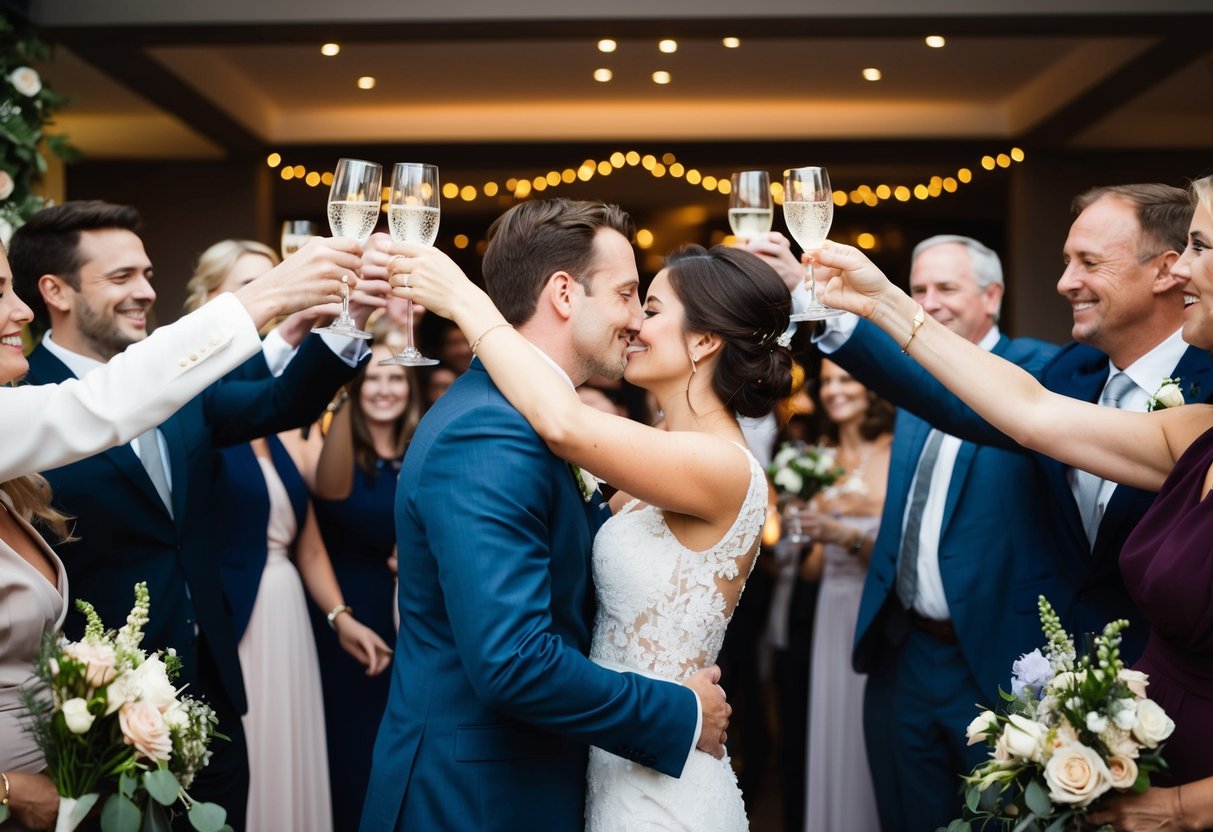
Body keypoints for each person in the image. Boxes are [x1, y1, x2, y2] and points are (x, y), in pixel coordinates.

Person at [810, 173, 1213, 830]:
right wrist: (881, 302)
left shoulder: (1193, 407)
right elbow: (1025, 412)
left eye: (1201, 248)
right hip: (1091, 723)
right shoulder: (1188, 427)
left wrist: (1180, 808)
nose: (1185, 268)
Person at [360, 199, 762, 831]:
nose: (635, 320)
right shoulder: (491, 432)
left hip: (565, 778)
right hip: (478, 797)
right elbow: (513, 659)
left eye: (649, 306)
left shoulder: (538, 420)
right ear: (565, 294)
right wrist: (679, 713)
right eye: (628, 295)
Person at [7, 201, 370, 830]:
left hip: (208, 693)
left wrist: (348, 322)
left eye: (148, 274)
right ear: (56, 291)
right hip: (91, 718)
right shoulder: (25, 396)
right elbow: (104, 404)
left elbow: (279, 401)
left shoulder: (172, 389)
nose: (147, 292)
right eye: (121, 276)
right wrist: (266, 296)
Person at [752, 185, 1206, 663]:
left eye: (1090, 262)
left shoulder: (1201, 396)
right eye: (1067, 261)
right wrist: (868, 301)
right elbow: (965, 402)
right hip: (1050, 668)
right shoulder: (1073, 371)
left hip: (1167, 668)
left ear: (1164, 271)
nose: (1064, 282)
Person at [750, 233, 1073, 832]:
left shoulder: (1040, 370)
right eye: (918, 289)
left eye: (946, 288)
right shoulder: (908, 381)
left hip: (990, 659)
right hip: (902, 654)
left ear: (993, 296)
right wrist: (803, 290)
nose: (930, 301)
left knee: (998, 821)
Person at [187, 240, 391, 832]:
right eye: (250, 287)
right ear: (207, 301)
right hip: (234, 619)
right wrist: (295, 328)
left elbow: (309, 531)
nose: (271, 298)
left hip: (290, 618)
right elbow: (233, 390)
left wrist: (340, 617)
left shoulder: (279, 426)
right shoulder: (191, 402)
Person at [309, 341, 420, 832]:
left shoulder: (421, 449)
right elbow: (330, 491)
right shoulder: (341, 448)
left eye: (395, 377)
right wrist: (345, 390)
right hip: (351, 606)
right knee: (355, 740)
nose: (384, 388)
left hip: (410, 608)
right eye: (372, 379)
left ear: (409, 387)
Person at [799, 359, 892, 832]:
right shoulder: (820, 459)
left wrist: (845, 532)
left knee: (867, 726)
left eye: (846, 379)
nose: (834, 390)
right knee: (833, 724)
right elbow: (812, 570)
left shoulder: (895, 452)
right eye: (828, 381)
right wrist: (803, 534)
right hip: (830, 609)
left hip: (877, 612)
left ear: (870, 387)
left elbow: (898, 555)